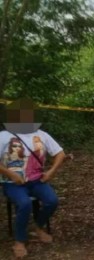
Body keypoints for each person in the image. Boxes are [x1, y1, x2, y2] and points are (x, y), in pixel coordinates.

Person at [0, 98, 66, 258]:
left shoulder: (41, 135)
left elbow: (60, 154)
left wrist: (50, 172)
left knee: (52, 201)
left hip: (37, 181)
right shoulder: (3, 136)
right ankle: (20, 241)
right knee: (24, 204)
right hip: (12, 183)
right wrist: (11, 174)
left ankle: (38, 227)